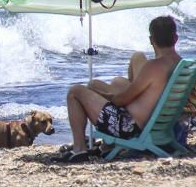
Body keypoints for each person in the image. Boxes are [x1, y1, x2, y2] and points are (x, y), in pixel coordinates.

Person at [57, 15, 182, 163]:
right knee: (94, 84)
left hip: (129, 127)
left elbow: (120, 100)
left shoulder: (153, 67)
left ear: (151, 40)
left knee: (75, 92)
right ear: (175, 38)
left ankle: (79, 148)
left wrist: (102, 95)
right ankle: (106, 146)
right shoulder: (181, 64)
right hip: (157, 124)